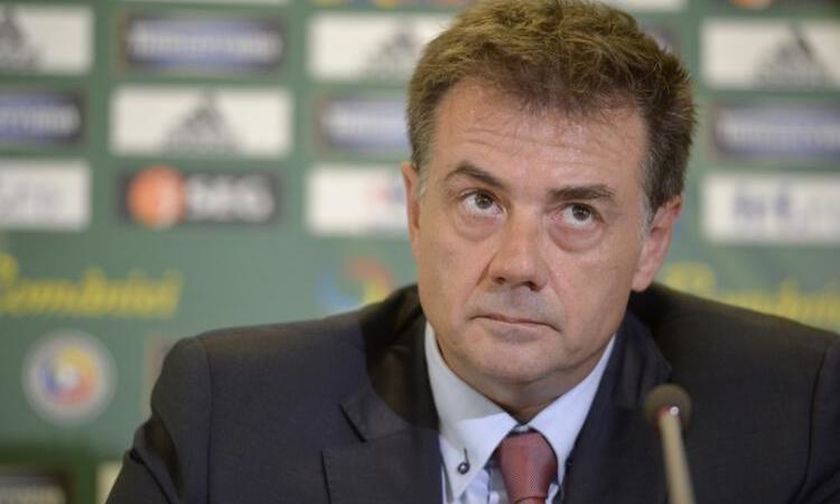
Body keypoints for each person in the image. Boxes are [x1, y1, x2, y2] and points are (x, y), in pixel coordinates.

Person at [107, 1, 840, 503]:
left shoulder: (794, 416)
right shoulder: (232, 415)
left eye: (578, 213)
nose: (518, 263)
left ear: (652, 242)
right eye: (482, 201)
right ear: (415, 209)